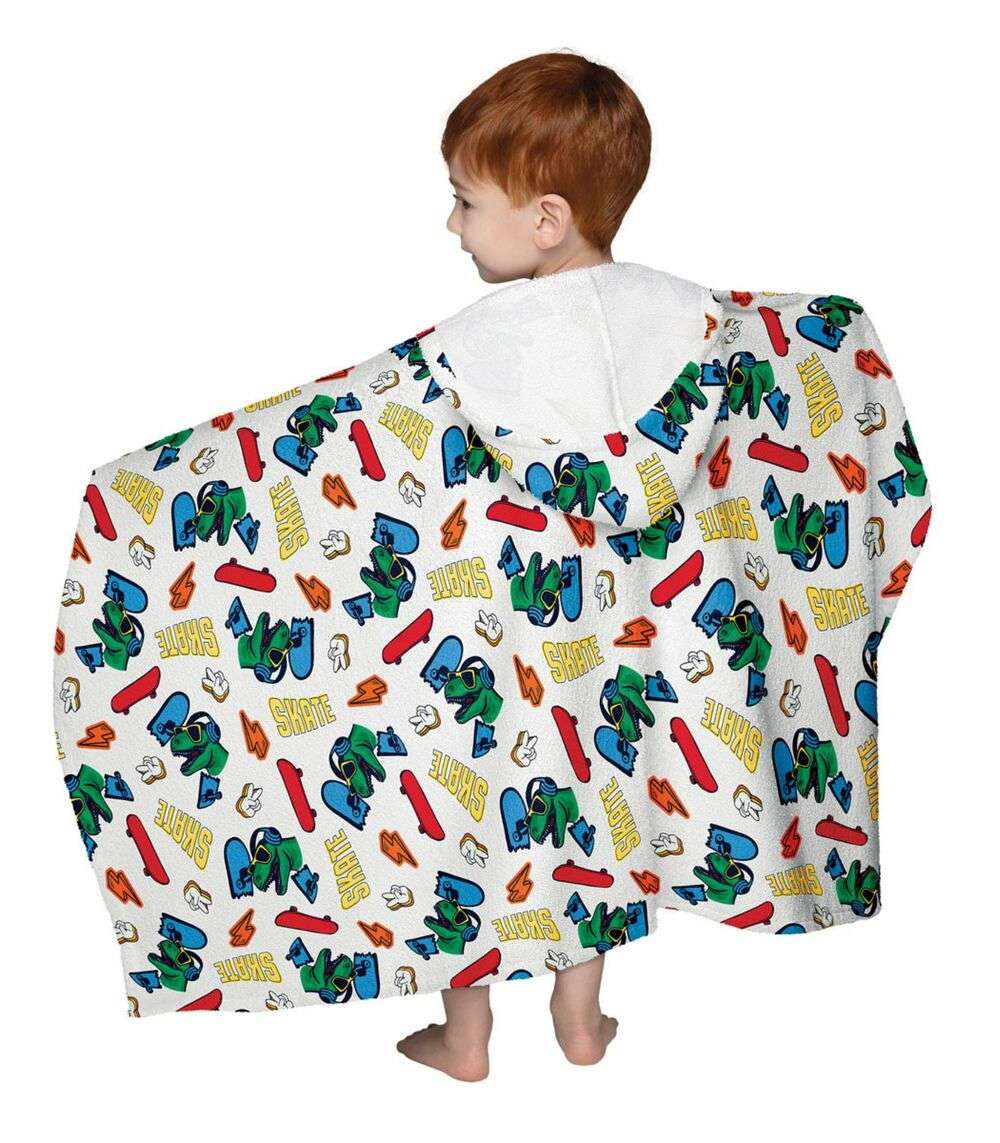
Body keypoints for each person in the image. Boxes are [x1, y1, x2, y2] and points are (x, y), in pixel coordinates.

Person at [395, 48, 650, 1081]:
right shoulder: (691, 326)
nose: (452, 224)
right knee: (590, 812)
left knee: (465, 814)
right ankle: (580, 1025)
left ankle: (465, 1039)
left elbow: (376, 446)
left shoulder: (478, 345)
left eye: (466, 201)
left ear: (546, 219)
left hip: (482, 638)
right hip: (612, 641)